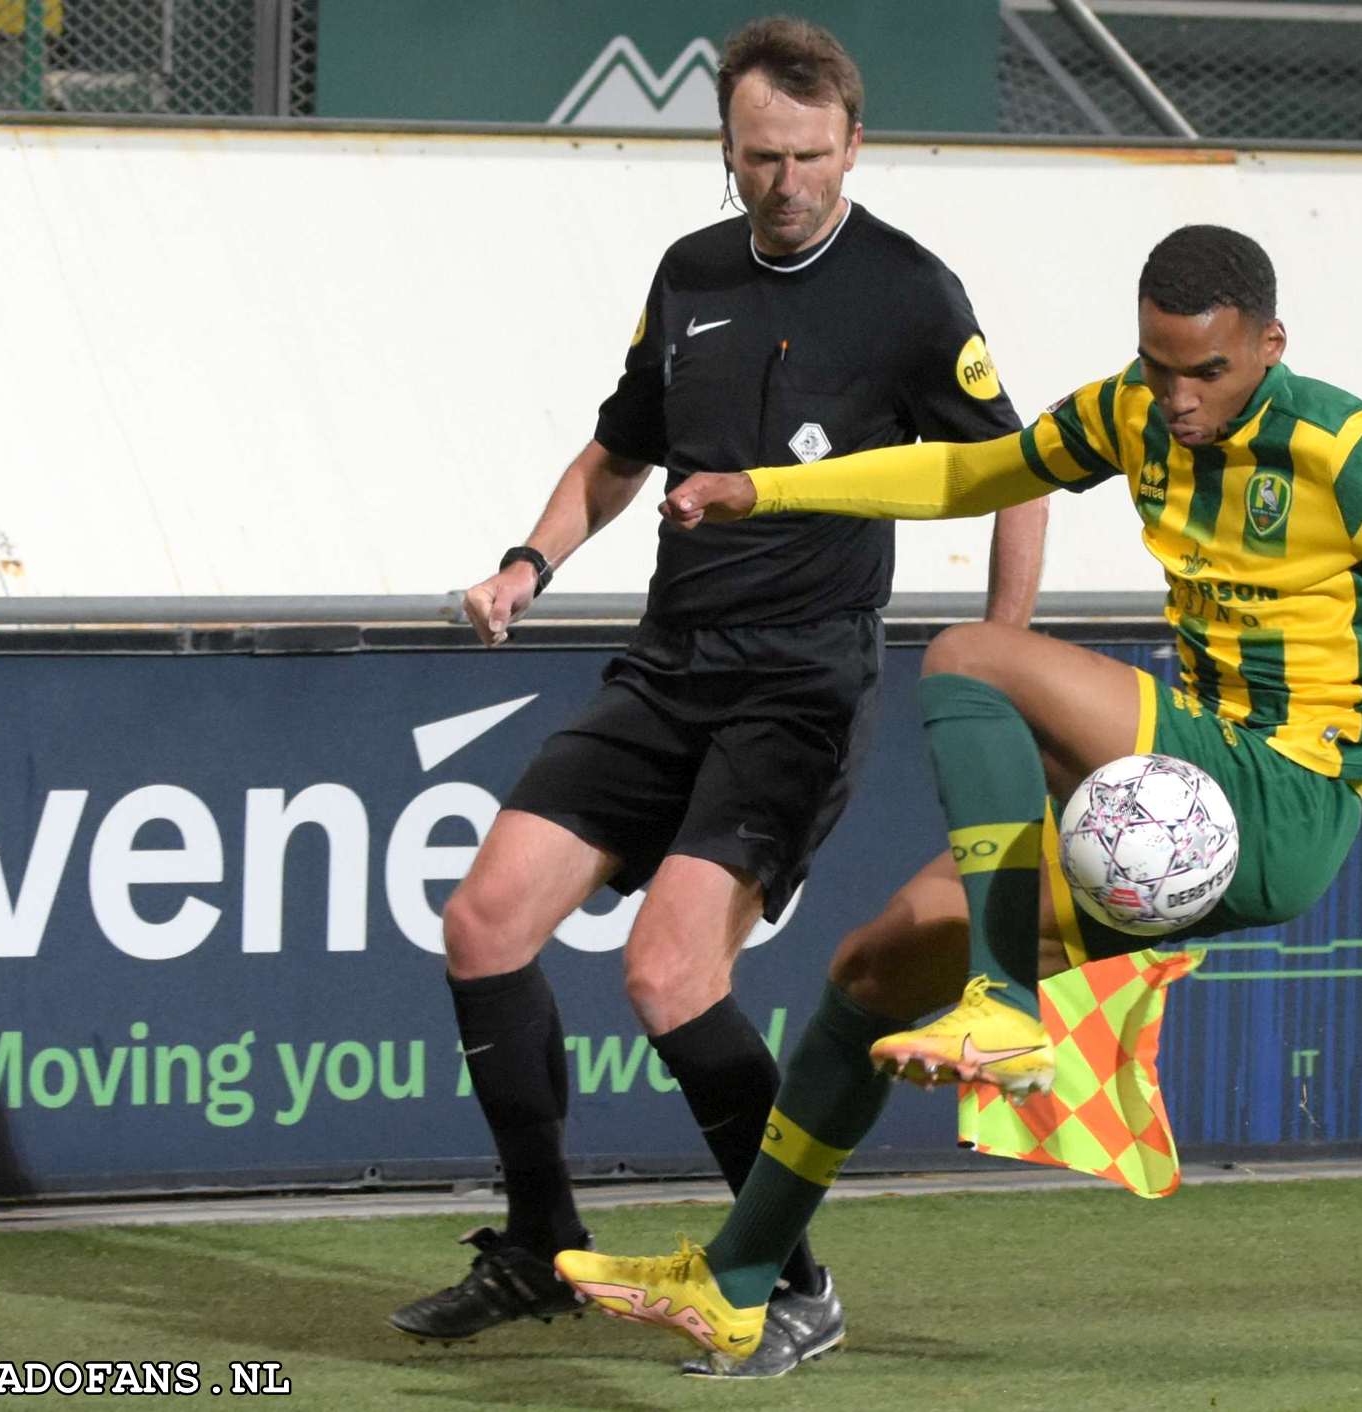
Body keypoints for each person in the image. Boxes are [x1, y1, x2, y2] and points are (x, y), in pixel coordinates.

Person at [547, 223, 1362, 1365]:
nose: (1179, 397)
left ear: (1267, 345)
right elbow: (967, 470)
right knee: (868, 971)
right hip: (1182, 790)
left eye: (1208, 371)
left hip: (1283, 792)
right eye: (1159, 365)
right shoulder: (1129, 412)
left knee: (969, 659)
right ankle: (743, 1280)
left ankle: (1003, 1003)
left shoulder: (1343, 446)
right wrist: (772, 486)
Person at [386, 17, 1047, 1381]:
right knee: (483, 921)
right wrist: (529, 562)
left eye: (808, 156)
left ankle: (788, 1282)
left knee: (667, 971)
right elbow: (621, 449)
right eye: (759, 157)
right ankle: (536, 1243)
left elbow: (1015, 475)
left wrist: (1004, 655)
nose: (784, 181)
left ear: (853, 144)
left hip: (799, 689)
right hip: (664, 666)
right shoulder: (689, 274)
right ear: (728, 150)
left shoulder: (913, 293)